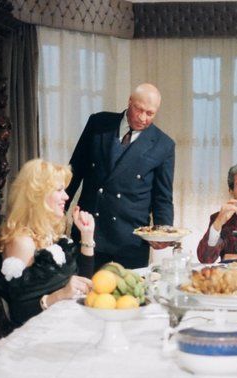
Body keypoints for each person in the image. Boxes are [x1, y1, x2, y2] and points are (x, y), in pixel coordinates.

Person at [67, 83, 175, 269]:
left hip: (130, 242)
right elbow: (75, 170)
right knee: (84, 286)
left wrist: (163, 232)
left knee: (129, 289)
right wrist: (54, 214)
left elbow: (162, 197)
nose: (142, 118)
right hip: (89, 232)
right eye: (138, 109)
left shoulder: (163, 145)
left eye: (150, 113)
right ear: (130, 101)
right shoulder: (99, 124)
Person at [0, 159, 95, 326]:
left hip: (66, 324)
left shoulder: (50, 235)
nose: (66, 196)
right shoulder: (22, 242)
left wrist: (87, 235)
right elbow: (19, 313)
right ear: (37, 196)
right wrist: (59, 295)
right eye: (59, 190)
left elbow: (82, 286)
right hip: (40, 336)